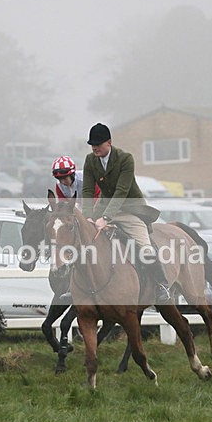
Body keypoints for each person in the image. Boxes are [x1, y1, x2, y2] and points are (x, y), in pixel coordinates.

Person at [80, 123, 172, 304]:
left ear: (109, 142)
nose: (95, 147)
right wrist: (88, 216)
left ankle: (162, 285)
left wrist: (105, 218)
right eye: (92, 144)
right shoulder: (90, 160)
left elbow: (121, 191)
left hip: (130, 209)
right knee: (84, 243)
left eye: (98, 144)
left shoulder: (125, 159)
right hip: (105, 207)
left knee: (145, 248)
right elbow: (88, 190)